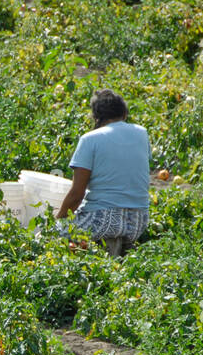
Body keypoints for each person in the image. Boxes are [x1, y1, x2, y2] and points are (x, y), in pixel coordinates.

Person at [54, 89, 150, 254]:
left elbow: (77, 194)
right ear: (124, 114)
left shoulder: (90, 139)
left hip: (104, 221)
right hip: (138, 222)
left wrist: (59, 219)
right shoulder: (142, 133)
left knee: (50, 234)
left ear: (96, 117)